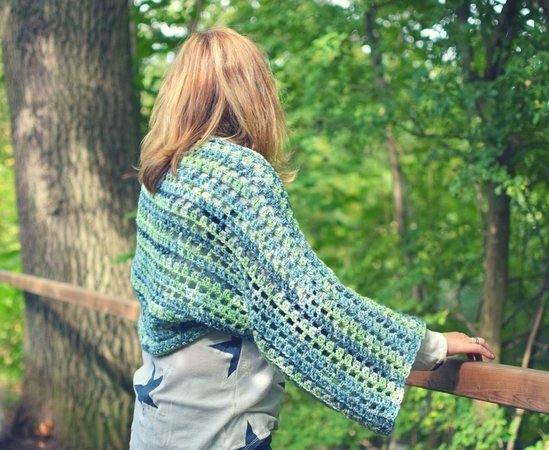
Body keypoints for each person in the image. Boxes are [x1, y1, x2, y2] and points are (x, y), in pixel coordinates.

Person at [128, 27, 494, 450]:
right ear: (252, 93)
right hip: (219, 432)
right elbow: (309, 304)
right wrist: (430, 346)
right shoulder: (237, 176)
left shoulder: (161, 176)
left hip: (156, 421)